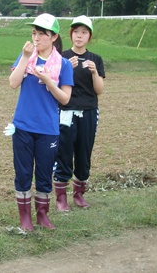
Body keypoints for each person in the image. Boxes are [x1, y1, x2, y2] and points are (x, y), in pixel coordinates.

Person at [7, 13, 74, 231]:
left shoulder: (63, 64)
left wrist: (47, 81)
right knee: (23, 173)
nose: (36, 38)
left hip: (48, 128)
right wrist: (26, 57)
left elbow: (65, 98)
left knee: (45, 174)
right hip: (23, 126)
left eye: (42, 34)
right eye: (34, 33)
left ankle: (43, 215)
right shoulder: (26, 57)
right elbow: (13, 83)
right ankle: (24, 217)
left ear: (54, 37)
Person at [53, 15, 105, 211]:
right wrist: (67, 67)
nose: (79, 36)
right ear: (71, 34)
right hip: (65, 110)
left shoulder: (96, 60)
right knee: (63, 151)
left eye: (84, 32)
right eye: (76, 32)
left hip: (89, 111)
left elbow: (99, 90)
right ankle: (61, 197)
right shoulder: (62, 57)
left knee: (84, 151)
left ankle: (79, 193)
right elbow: (54, 85)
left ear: (89, 36)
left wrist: (94, 73)